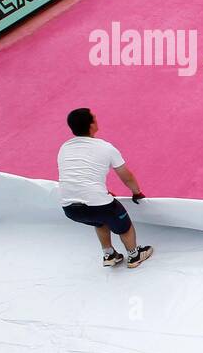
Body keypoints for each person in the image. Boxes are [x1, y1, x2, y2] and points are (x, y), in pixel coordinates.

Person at [57, 108, 154, 269]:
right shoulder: (106, 147)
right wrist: (137, 193)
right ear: (91, 125)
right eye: (94, 118)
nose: (97, 119)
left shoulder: (64, 147)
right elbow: (126, 176)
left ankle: (109, 254)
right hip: (98, 204)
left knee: (99, 221)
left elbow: (77, 176)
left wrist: (101, 194)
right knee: (124, 226)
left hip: (69, 208)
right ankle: (134, 255)